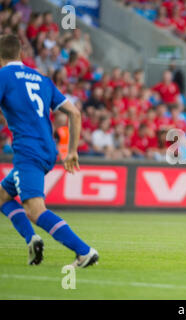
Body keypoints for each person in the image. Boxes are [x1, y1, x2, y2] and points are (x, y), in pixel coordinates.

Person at [0, 34, 98, 267]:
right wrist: (72, 151)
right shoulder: (41, 78)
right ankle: (31, 238)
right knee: (2, 196)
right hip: (48, 150)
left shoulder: (3, 76)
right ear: (20, 54)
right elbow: (74, 112)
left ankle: (83, 251)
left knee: (35, 210)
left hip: (28, 151)